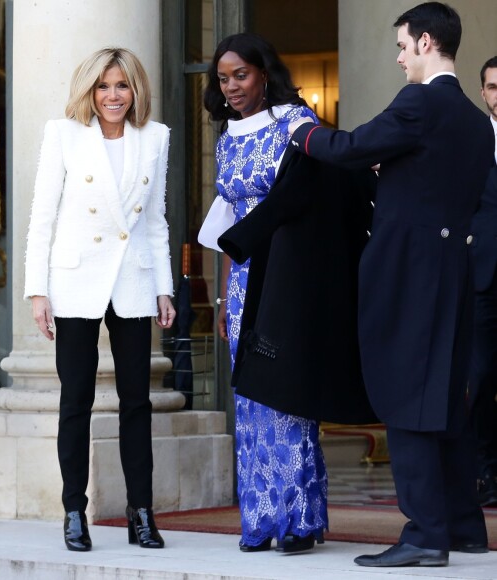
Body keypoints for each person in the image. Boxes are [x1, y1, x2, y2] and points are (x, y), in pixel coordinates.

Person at [288, 2, 495, 567]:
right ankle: (463, 525)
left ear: (426, 42)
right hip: (454, 270)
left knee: (405, 395)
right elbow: (440, 186)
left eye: (403, 46)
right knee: (446, 400)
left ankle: (425, 533)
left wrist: (301, 130)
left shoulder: (419, 102)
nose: (400, 58)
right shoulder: (478, 123)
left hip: (408, 273)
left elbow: (351, 147)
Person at [24, 47, 176, 552]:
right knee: (76, 401)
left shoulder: (156, 138)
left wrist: (164, 287)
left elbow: (156, 220)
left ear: (136, 90)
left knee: (137, 402)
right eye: (104, 86)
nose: (113, 95)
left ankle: (142, 511)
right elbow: (42, 215)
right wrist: (37, 289)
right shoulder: (63, 134)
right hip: (75, 282)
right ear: (89, 90)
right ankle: (74, 511)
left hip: (132, 281)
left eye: (122, 86)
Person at [202, 32, 330, 554]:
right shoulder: (228, 139)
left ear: (264, 73)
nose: (232, 87)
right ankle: (258, 519)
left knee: (287, 394)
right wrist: (221, 297)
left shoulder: (296, 125)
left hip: (288, 279)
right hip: (243, 284)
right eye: (223, 78)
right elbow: (230, 222)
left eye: (242, 75)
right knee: (251, 397)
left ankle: (299, 519)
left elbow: (315, 203)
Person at [469, 56, 497, 508]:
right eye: (493, 87)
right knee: (478, 376)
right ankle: (484, 473)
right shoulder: (469, 141)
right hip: (481, 275)